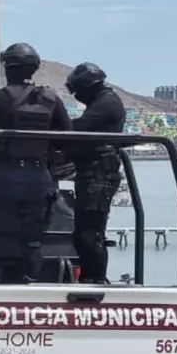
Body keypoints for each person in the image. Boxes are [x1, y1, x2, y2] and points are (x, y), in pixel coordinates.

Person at [0, 43, 73, 282]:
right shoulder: (51, 98)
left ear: (8, 68)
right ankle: (30, 280)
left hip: (5, 175)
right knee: (33, 237)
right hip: (39, 177)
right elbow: (67, 134)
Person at [64, 62, 126, 283]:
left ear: (88, 86)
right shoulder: (103, 101)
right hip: (93, 172)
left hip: (99, 173)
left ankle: (95, 279)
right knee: (84, 232)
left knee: (90, 233)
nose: (78, 96)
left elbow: (78, 128)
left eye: (78, 91)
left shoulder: (107, 103)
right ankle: (90, 278)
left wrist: (53, 125)